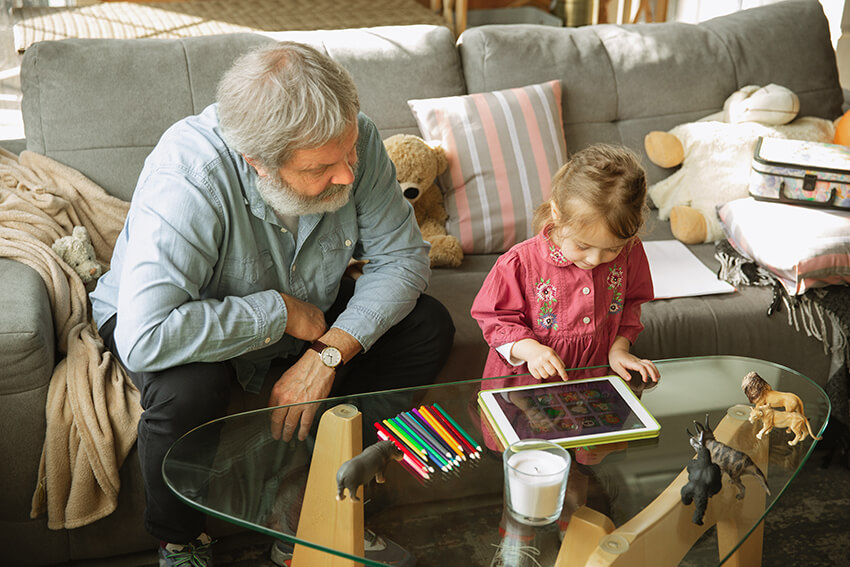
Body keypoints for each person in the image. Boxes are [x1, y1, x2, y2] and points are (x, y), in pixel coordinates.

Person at [90, 41, 454, 567]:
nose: (349, 175)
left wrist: (328, 353)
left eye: (349, 153)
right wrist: (279, 312)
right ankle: (181, 543)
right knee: (190, 390)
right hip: (172, 318)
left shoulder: (355, 140)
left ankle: (309, 503)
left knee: (428, 325)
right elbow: (146, 337)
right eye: (323, 168)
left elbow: (404, 261)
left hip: (307, 317)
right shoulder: (189, 176)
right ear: (256, 162)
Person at [471, 143, 659, 390]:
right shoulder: (519, 263)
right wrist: (531, 351)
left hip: (595, 381)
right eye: (583, 245)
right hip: (525, 386)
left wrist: (619, 349)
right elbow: (495, 319)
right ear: (557, 214)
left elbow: (631, 305)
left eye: (611, 249)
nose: (594, 259)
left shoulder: (629, 252)